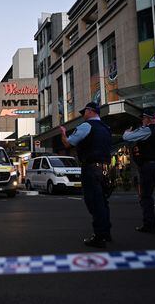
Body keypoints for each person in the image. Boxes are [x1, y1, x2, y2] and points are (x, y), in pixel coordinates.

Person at [60, 102, 112, 248]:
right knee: (103, 201)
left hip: (91, 168)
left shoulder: (86, 126)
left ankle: (100, 236)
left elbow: (68, 144)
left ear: (90, 111)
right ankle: (106, 232)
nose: (83, 115)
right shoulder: (106, 128)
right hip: (106, 168)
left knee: (94, 202)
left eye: (84, 112)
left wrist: (63, 133)